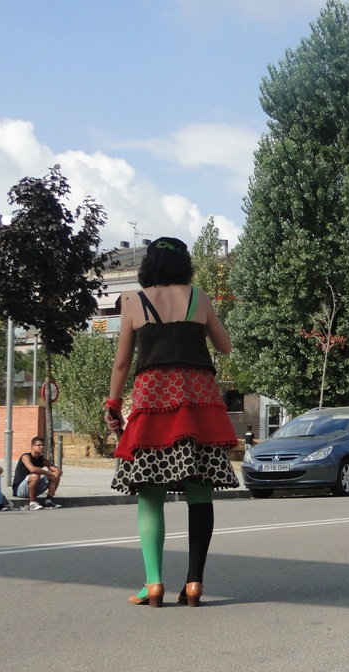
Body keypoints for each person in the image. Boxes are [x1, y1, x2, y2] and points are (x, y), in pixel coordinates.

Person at [105, 236, 239, 608]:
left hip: (154, 400)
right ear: (184, 264)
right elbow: (225, 346)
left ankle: (154, 584)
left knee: (149, 492)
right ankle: (194, 583)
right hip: (198, 400)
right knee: (200, 491)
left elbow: (121, 364)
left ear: (150, 265)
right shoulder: (199, 297)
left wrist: (114, 404)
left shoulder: (135, 302)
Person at [12, 436, 63, 510]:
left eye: (43, 445)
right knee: (35, 475)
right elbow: (33, 469)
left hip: (34, 489)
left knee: (56, 474)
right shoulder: (25, 457)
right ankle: (32, 503)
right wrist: (49, 474)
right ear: (32, 447)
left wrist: (53, 481)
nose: (41, 447)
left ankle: (48, 501)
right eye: (38, 445)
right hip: (20, 490)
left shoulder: (42, 459)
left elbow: (57, 470)